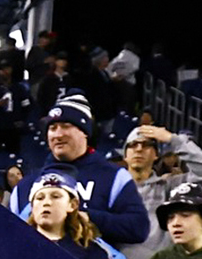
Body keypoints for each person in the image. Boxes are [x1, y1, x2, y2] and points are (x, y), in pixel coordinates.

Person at [15, 96, 148, 245]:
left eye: (66, 126)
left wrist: (87, 217)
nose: (58, 135)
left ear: (85, 131)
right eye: (52, 128)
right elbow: (10, 234)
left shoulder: (113, 177)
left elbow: (138, 228)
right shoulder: (26, 185)